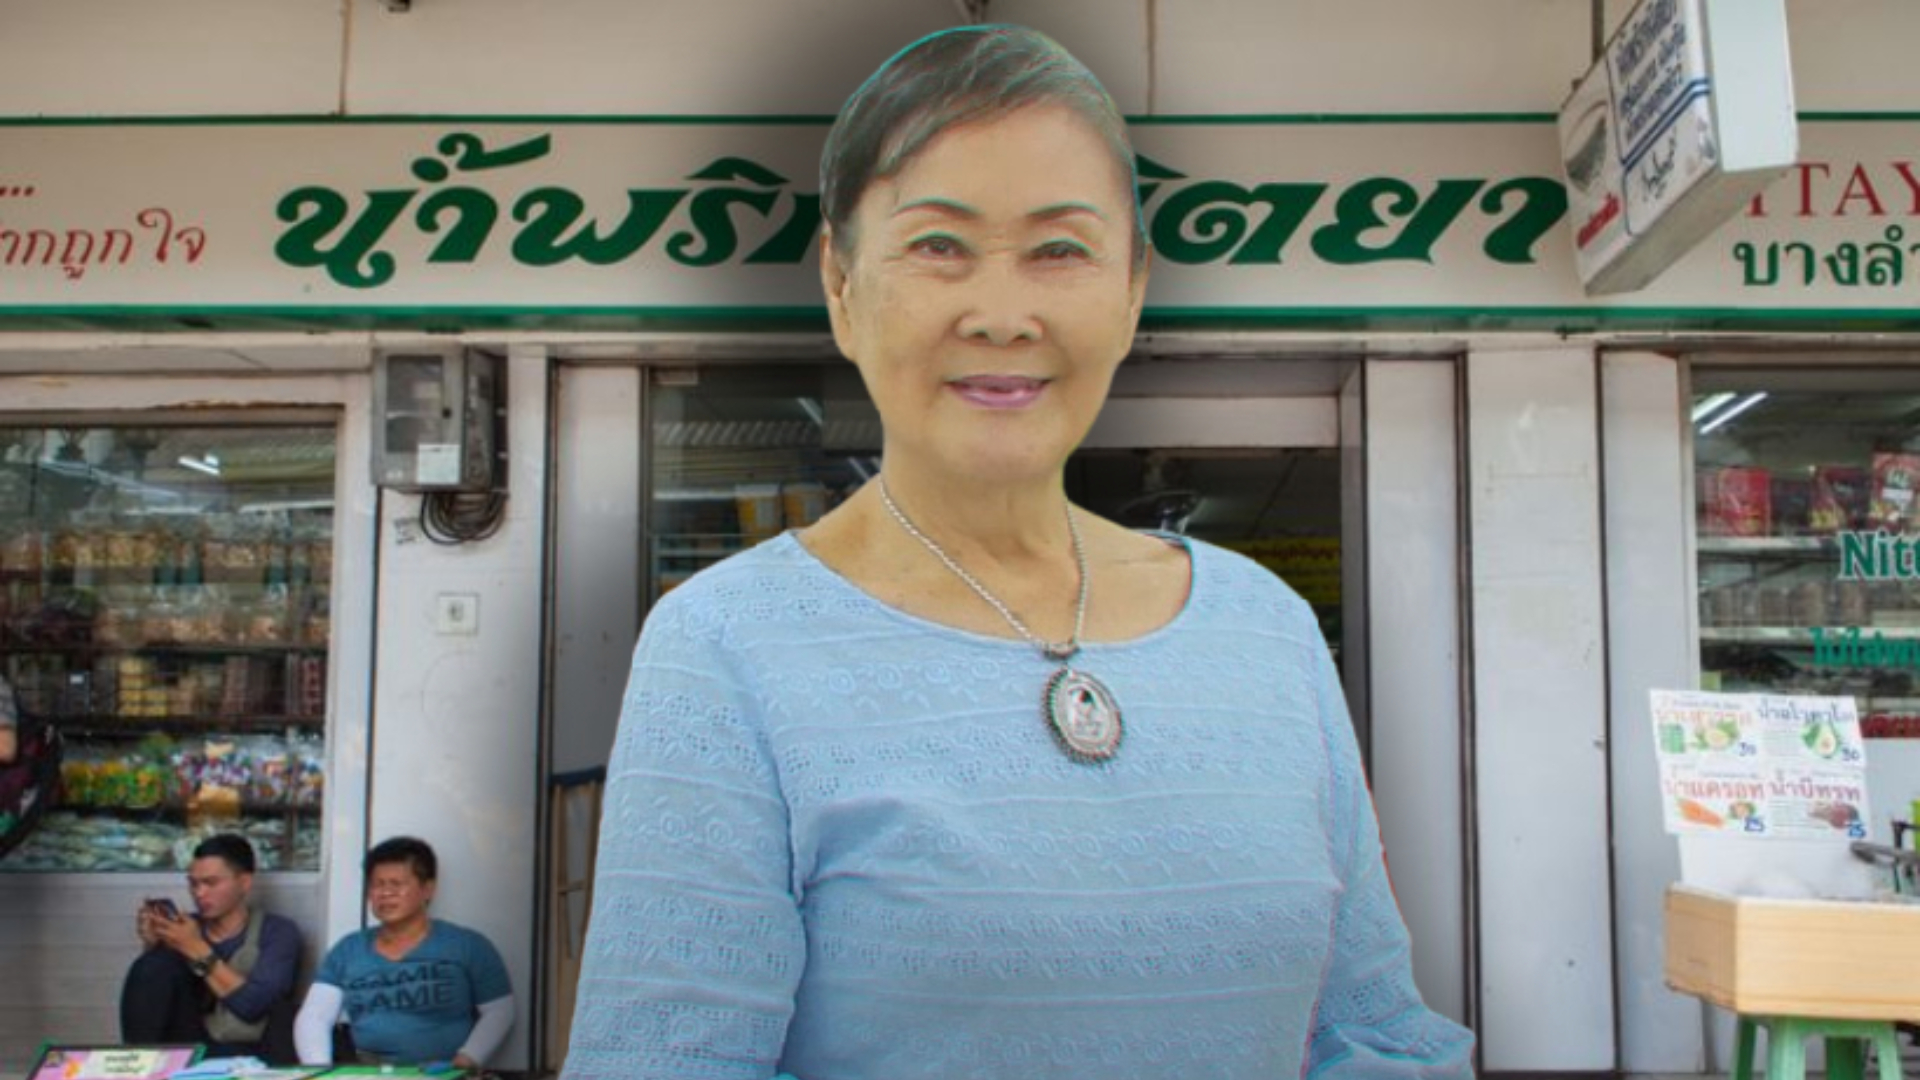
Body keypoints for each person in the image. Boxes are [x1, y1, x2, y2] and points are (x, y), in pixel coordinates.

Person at [561, 23, 1477, 1080]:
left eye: (1060, 250)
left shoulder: (1264, 624)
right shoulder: (726, 646)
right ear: (841, 286)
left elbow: (1373, 1030)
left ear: (1132, 291)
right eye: (938, 246)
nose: (1002, 316)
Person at [294, 837, 514, 1069]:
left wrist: (468, 1059)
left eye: (397, 884)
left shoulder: (467, 945)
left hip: (445, 1073)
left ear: (427, 889)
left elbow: (500, 1010)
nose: (386, 893)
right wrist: (319, 1070)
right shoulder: (347, 950)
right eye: (377, 884)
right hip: (370, 1073)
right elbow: (314, 1017)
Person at [119, 833, 304, 1061]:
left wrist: (195, 947)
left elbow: (254, 1006)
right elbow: (152, 1002)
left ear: (244, 882)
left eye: (211, 883)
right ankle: (136, 1065)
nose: (199, 893)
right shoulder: (185, 927)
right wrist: (153, 946)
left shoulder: (277, 931)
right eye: (193, 884)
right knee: (153, 966)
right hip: (187, 1041)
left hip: (246, 1049)